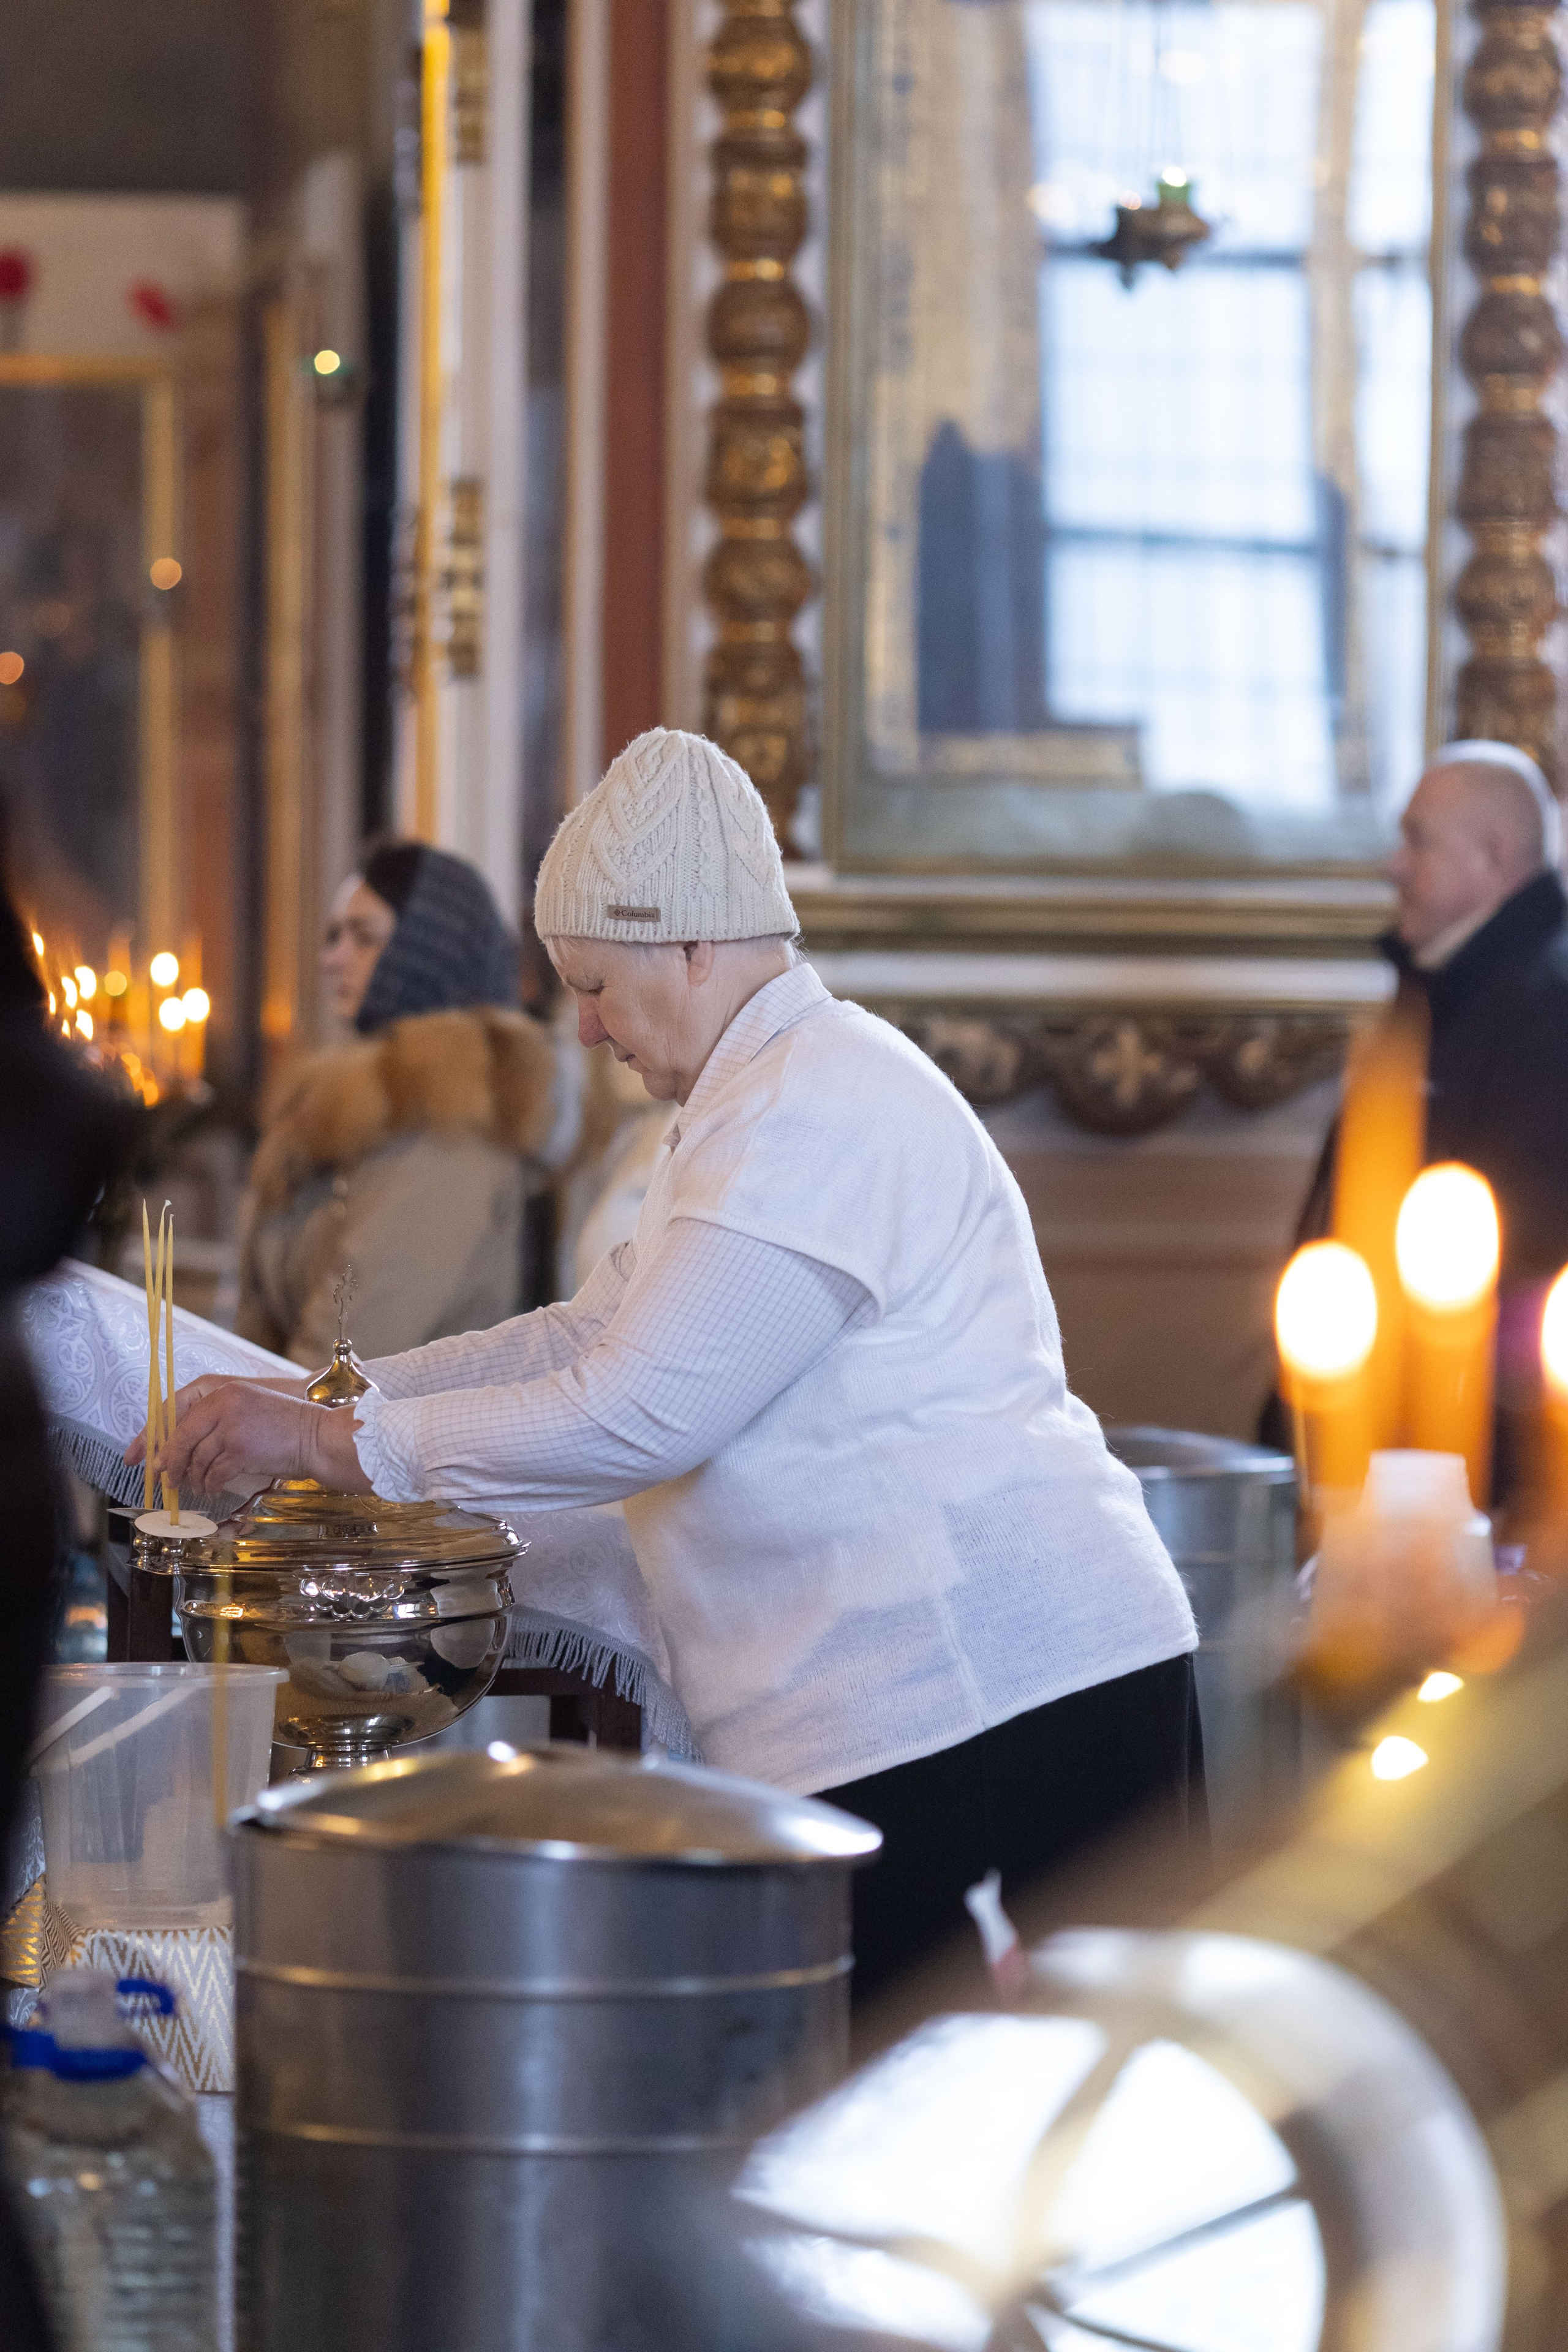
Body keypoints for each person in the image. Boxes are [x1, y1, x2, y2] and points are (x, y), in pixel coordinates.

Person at [137, 729, 1202, 1999]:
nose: (581, 1028)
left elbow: (642, 1413)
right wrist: (334, 1397)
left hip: (998, 1701)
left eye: (594, 983)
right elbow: (588, 1333)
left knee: (986, 2153)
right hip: (934, 1716)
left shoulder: (822, 1097)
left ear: (694, 944)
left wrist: (328, 1449)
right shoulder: (747, 1101)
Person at [1278, 739, 1568, 1498]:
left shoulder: (1547, 1010)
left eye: (1417, 840)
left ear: (1494, 856)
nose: (1392, 866)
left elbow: (1523, 1260)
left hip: (1467, 1465)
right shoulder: (1450, 985)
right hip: (1398, 1443)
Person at [235, 840, 560, 1366]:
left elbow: (341, 1361)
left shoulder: (450, 1131)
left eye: (363, 937)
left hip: (375, 1440)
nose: (331, 958)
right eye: (335, 935)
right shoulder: (354, 1111)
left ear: (428, 953)